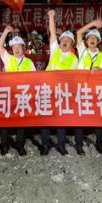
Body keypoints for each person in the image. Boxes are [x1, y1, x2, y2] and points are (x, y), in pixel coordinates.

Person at [41, 9, 78, 155]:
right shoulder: (55, 50)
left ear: (72, 44)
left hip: (62, 92)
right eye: (63, 39)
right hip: (48, 89)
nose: (65, 42)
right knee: (46, 118)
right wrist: (51, 17)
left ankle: (61, 145)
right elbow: (52, 33)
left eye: (68, 41)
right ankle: (45, 145)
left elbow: (73, 77)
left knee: (61, 119)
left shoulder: (74, 59)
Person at [0, 25, 35, 156]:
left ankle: (20, 145)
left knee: (21, 123)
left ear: (23, 48)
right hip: (9, 95)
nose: (16, 49)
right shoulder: (8, 59)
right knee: (5, 122)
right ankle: (4, 145)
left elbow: (35, 80)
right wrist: (5, 32)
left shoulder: (29, 62)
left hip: (23, 96)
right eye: (14, 47)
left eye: (19, 47)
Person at [75, 18, 102, 155]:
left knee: (99, 119)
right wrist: (93, 24)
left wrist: (100, 70)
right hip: (82, 90)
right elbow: (78, 33)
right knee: (80, 118)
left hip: (97, 91)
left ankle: (100, 144)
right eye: (90, 38)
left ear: (99, 41)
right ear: (86, 41)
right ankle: (79, 144)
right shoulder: (82, 51)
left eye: (95, 38)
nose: (92, 39)